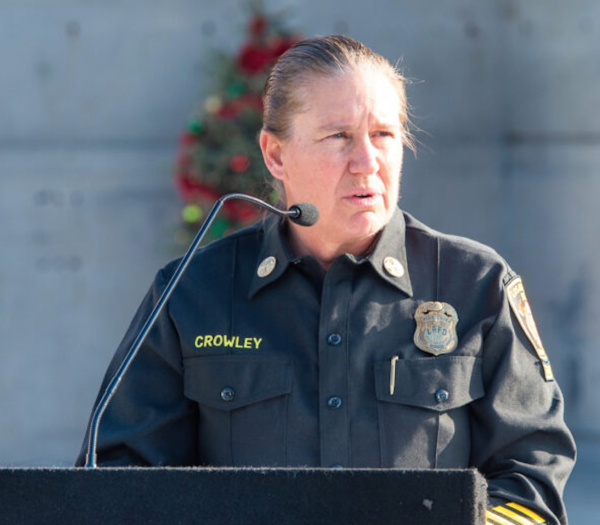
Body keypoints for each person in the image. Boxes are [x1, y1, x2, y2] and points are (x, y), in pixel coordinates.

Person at [77, 35, 575, 525]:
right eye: (338, 136)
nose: (367, 162)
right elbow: (115, 478)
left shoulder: (476, 285)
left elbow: (532, 483)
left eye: (383, 134)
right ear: (275, 155)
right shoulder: (191, 291)